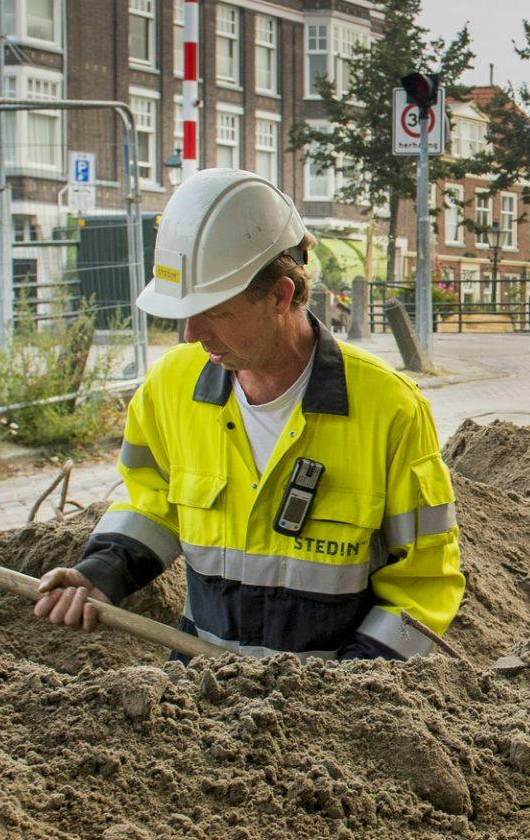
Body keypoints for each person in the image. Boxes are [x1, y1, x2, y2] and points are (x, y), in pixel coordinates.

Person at [34, 169, 464, 660]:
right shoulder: (170, 388)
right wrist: (103, 571)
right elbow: (152, 501)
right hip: (200, 699)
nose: (191, 333)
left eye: (213, 312)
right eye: (184, 313)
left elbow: (426, 585)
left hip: (332, 713)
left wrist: (361, 686)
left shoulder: (389, 410)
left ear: (281, 296)